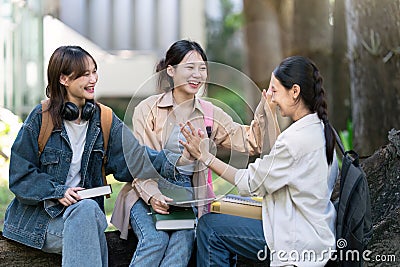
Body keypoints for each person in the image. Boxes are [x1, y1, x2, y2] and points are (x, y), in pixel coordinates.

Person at [2, 45, 180, 267]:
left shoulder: (104, 119)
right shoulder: (41, 118)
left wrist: (176, 159)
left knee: (86, 210)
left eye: (94, 71)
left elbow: (134, 157)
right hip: (42, 221)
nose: (93, 79)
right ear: (64, 79)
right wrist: (57, 192)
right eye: (85, 74)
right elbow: (20, 176)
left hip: (86, 216)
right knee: (88, 217)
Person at [111, 39, 280, 267]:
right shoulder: (147, 109)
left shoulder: (210, 113)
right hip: (144, 190)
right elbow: (142, 164)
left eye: (202, 68)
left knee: (183, 240)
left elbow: (251, 143)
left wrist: (264, 110)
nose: (197, 75)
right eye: (190, 68)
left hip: (188, 196)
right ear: (171, 70)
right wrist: (153, 196)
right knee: (156, 239)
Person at [181, 56, 338, 267]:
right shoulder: (317, 128)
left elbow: (249, 182)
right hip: (310, 229)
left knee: (210, 228)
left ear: (295, 91)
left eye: (275, 90)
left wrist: (205, 156)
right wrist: (269, 113)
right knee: (226, 209)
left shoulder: (297, 140)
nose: (271, 96)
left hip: (297, 241)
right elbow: (277, 160)